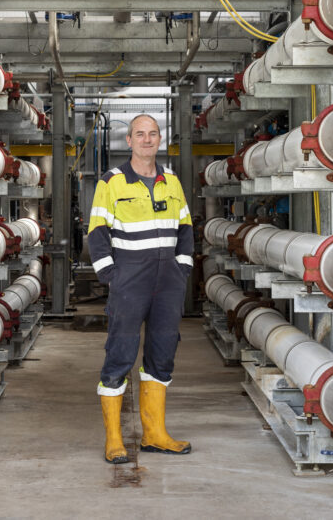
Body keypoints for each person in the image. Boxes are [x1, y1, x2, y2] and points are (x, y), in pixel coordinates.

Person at [86, 113, 194, 464]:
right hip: (130, 280)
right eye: (140, 134)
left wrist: (183, 268)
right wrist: (111, 277)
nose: (147, 140)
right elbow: (97, 232)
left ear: (159, 139)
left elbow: (187, 228)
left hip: (168, 284)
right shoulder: (111, 182)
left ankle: (155, 435)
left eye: (153, 134)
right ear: (129, 141)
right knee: (120, 354)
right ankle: (114, 439)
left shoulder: (172, 181)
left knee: (163, 354)